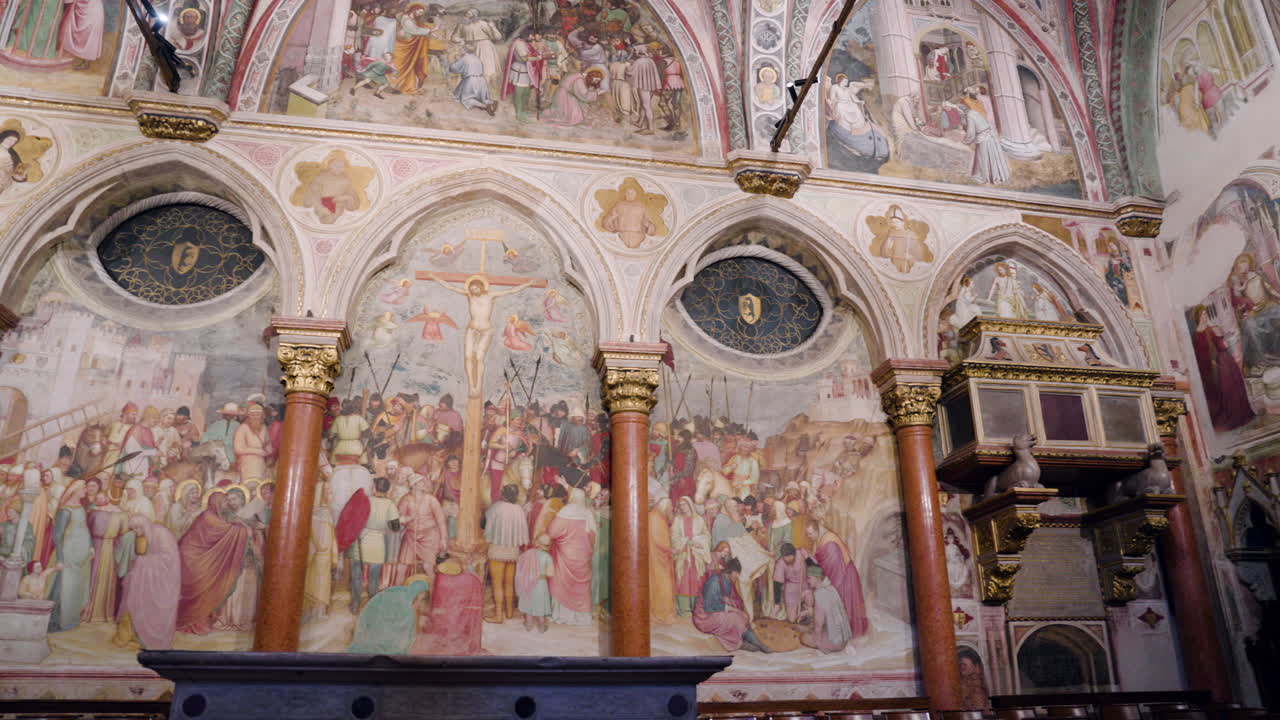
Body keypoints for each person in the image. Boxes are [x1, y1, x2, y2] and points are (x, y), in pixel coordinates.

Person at [176, 491, 252, 634]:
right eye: (223, 502)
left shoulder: (214, 517)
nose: (226, 504)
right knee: (202, 590)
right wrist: (244, 529)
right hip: (193, 559)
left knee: (205, 591)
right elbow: (227, 531)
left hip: (200, 559)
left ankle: (201, 621)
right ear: (216, 503)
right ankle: (194, 623)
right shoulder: (208, 517)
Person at [111, 515, 180, 649]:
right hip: (147, 577)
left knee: (149, 606)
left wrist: (143, 561)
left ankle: (149, 640)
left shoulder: (161, 533)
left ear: (145, 525)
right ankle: (131, 637)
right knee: (133, 600)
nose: (136, 531)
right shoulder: (143, 536)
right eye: (134, 528)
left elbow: (168, 558)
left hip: (161, 579)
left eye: (138, 528)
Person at [1191, 304, 1255, 430]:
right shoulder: (1199, 333)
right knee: (1228, 389)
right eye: (1202, 314)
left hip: (1225, 360)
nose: (1205, 316)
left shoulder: (1210, 328)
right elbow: (1201, 355)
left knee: (1236, 386)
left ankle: (1242, 414)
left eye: (1206, 314)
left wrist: (1219, 333)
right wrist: (1213, 362)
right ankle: (1234, 417)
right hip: (1217, 365)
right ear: (1198, 316)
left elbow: (1220, 343)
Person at [806, 519, 869, 639]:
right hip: (841, 573)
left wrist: (809, 560)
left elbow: (830, 567)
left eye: (810, 533)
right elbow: (823, 565)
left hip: (844, 577)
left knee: (842, 603)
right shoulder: (822, 538)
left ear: (817, 531)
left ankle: (844, 635)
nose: (808, 537)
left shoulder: (829, 544)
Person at [693, 557, 772, 652]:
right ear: (731, 571)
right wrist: (730, 608)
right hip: (704, 617)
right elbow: (708, 607)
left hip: (716, 611)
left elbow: (730, 598)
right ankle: (740, 644)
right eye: (737, 573)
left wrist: (732, 604)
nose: (738, 576)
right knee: (734, 618)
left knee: (743, 616)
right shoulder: (714, 582)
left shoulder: (727, 580)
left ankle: (759, 644)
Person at [547, 487, 596, 625]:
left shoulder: (565, 511)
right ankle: (582, 618)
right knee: (582, 587)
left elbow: (551, 532)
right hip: (583, 556)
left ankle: (563, 616)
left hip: (565, 556)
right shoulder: (588, 513)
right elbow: (594, 536)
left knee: (562, 583)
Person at [47, 481, 92, 632]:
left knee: (75, 588)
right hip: (67, 554)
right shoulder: (65, 510)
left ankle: (71, 621)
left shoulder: (81, 507)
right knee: (63, 587)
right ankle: (56, 623)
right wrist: (60, 558)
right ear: (76, 490)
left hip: (80, 556)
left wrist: (90, 547)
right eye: (84, 488)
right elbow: (57, 535)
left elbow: (85, 528)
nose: (86, 490)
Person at [352, 476, 400, 610]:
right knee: (374, 576)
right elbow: (395, 527)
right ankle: (371, 605)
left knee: (357, 575)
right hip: (377, 544)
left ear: (374, 488)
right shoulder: (390, 504)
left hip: (361, 542)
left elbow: (354, 520)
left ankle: (355, 604)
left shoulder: (365, 501)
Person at [348, 575, 429, 653]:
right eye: (420, 598)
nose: (419, 602)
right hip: (375, 631)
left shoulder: (396, 590)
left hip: (369, 627)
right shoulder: (407, 607)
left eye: (422, 599)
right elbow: (406, 637)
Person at [485, 483, 528, 622]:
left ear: (503, 493)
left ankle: (498, 616)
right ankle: (509, 613)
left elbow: (484, 524)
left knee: (497, 584)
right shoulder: (519, 509)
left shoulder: (496, 507)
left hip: (497, 549)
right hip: (513, 551)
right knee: (509, 583)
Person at [799, 562, 852, 652]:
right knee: (808, 629)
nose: (807, 581)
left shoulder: (819, 594)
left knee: (803, 637)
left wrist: (817, 639)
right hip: (843, 640)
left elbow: (819, 622)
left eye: (809, 578)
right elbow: (830, 612)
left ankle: (824, 644)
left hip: (834, 643)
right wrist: (810, 612)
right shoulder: (831, 588)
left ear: (817, 578)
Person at [671, 496, 710, 617]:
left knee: (696, 580)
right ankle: (683, 609)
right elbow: (673, 536)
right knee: (682, 580)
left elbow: (706, 535)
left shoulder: (699, 519)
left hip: (696, 556)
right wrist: (687, 542)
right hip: (683, 555)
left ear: (690, 505)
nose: (683, 507)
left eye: (685, 504)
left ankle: (696, 608)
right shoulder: (677, 519)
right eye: (681, 505)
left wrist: (698, 541)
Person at [304, 482, 338, 620]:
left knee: (314, 583)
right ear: (321, 495)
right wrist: (332, 555)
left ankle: (314, 612)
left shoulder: (322, 512)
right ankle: (317, 613)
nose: (331, 495)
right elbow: (324, 542)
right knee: (319, 584)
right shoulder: (322, 514)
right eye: (329, 492)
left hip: (320, 556)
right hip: (321, 556)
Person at [449, 8, 502, 89]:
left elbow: (498, 37)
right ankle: (471, 90)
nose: (466, 16)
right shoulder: (461, 25)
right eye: (465, 14)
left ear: (475, 16)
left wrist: (493, 27)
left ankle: (484, 90)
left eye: (469, 14)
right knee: (470, 70)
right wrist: (459, 40)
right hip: (468, 48)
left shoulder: (482, 24)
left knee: (485, 69)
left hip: (484, 47)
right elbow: (454, 37)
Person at [390, 4, 433, 94]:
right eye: (420, 12)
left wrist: (428, 30)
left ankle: (402, 86)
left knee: (407, 66)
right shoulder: (406, 19)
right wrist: (430, 30)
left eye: (422, 13)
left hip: (409, 45)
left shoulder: (413, 19)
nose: (420, 14)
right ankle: (393, 85)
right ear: (415, 10)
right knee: (399, 66)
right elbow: (414, 30)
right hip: (402, 46)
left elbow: (418, 28)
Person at [502, 28, 544, 122]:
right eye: (532, 35)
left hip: (527, 70)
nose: (533, 37)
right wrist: (538, 58)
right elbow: (524, 59)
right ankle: (519, 113)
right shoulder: (519, 43)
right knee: (519, 92)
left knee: (526, 92)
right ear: (527, 34)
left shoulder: (525, 42)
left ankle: (523, 111)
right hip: (520, 69)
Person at [963, 104, 1010, 185]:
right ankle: (995, 175)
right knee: (992, 156)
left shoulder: (969, 116)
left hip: (984, 139)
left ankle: (986, 177)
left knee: (984, 158)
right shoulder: (974, 112)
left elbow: (971, 133)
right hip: (989, 136)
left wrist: (965, 141)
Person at [515, 534, 555, 632]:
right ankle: (541, 626)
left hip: (527, 582)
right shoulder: (547, 557)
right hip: (541, 583)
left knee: (529, 602)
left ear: (536, 542)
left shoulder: (527, 554)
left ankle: (529, 624)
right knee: (540, 603)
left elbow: (520, 567)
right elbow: (550, 573)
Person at [448, 43, 498, 115]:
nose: (460, 50)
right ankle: (491, 102)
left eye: (461, 49)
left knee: (465, 99)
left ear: (464, 50)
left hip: (471, 81)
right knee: (481, 97)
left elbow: (453, 69)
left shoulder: (465, 58)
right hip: (481, 81)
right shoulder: (476, 58)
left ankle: (485, 106)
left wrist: (452, 61)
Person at [649, 497, 676, 624]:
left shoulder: (658, 516)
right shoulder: (656, 517)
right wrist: (670, 550)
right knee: (662, 585)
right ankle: (662, 615)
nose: (672, 510)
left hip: (659, 558)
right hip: (657, 559)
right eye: (670, 507)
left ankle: (661, 614)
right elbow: (657, 541)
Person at [58, 0, 104, 68]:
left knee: (89, 36)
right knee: (68, 26)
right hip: (86, 8)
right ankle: (83, 61)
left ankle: (86, 62)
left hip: (93, 10)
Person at [773, 542, 811, 622]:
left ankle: (807, 611)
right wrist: (777, 604)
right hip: (791, 589)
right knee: (792, 619)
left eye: (790, 557)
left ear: (794, 554)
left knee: (810, 600)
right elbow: (777, 584)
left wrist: (807, 558)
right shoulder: (780, 563)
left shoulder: (801, 554)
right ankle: (801, 612)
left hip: (805, 586)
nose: (787, 559)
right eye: (785, 557)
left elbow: (815, 568)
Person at [234, 403, 272, 484]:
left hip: (261, 464)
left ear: (262, 416)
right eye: (253, 415)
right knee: (250, 485)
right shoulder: (243, 428)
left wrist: (269, 451)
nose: (255, 417)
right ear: (249, 416)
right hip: (247, 463)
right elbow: (238, 449)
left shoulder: (264, 428)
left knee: (260, 487)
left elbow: (268, 444)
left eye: (258, 414)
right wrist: (257, 451)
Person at [202, 403, 240, 471]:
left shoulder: (238, 426)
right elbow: (205, 439)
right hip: (219, 456)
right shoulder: (215, 424)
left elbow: (204, 440)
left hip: (228, 457)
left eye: (231, 414)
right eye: (228, 414)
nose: (229, 416)